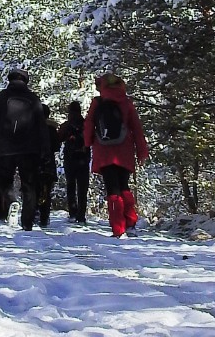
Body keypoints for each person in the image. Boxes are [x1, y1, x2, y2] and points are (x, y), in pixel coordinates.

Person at [0, 67, 51, 231]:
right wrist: (46, 152)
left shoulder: (1, 97)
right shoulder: (33, 98)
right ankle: (27, 223)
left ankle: (12, 200)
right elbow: (42, 127)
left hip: (5, 148)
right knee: (29, 185)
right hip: (30, 149)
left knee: (5, 182)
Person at [83, 73, 149, 238]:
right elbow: (136, 128)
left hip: (104, 151)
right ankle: (131, 222)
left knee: (112, 188)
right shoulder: (126, 103)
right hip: (124, 151)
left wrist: (87, 143)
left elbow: (89, 124)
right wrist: (142, 151)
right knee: (124, 186)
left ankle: (118, 228)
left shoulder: (97, 103)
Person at [59, 100, 91, 223]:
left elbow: (59, 138)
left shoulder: (67, 125)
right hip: (83, 158)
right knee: (83, 188)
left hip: (70, 158)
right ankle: (81, 215)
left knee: (71, 185)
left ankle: (73, 212)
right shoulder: (86, 125)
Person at [37, 104, 61, 228]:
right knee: (47, 190)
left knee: (34, 188)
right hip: (49, 164)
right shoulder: (51, 129)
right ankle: (44, 216)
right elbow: (57, 146)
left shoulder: (33, 128)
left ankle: (34, 211)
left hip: (35, 163)